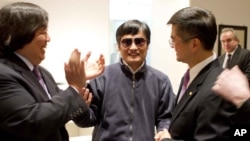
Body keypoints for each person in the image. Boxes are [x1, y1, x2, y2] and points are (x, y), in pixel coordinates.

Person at [0, 2, 105, 141]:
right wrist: (74, 88)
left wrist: (80, 83)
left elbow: (61, 111)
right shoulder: (3, 74)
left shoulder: (42, 72)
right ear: (22, 33)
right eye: (43, 32)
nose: (48, 38)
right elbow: (33, 122)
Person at [82, 19, 175, 141]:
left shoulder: (161, 81)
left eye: (139, 41)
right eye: (127, 42)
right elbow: (87, 120)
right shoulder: (102, 77)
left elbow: (165, 118)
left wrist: (163, 133)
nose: (133, 47)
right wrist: (80, 106)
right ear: (118, 46)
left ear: (148, 45)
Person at [155, 7, 236, 141]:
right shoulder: (190, 77)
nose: (172, 45)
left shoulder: (218, 88)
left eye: (174, 40)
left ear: (194, 44)